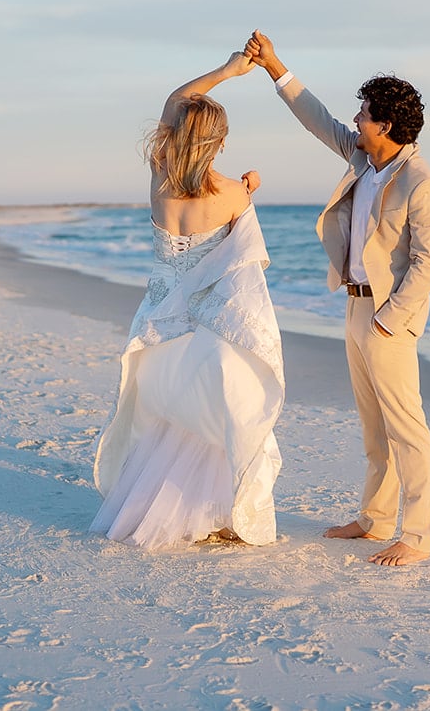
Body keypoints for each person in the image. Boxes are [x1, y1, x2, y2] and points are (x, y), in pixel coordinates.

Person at [243, 30, 430, 566]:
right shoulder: (364, 161)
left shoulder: (423, 184)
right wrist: (274, 67)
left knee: (407, 427)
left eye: (362, 114)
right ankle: (376, 518)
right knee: (372, 424)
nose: (354, 121)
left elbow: (429, 266)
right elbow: (316, 117)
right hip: (355, 303)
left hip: (389, 317)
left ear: (385, 125)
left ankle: (418, 536)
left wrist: (389, 320)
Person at [91, 51, 285, 549]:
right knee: (222, 415)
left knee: (172, 417)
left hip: (158, 321)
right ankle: (216, 513)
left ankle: (167, 509)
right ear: (219, 142)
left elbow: (175, 99)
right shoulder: (233, 194)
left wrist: (226, 71)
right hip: (206, 322)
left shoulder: (159, 175)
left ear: (176, 136)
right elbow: (239, 260)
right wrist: (251, 187)